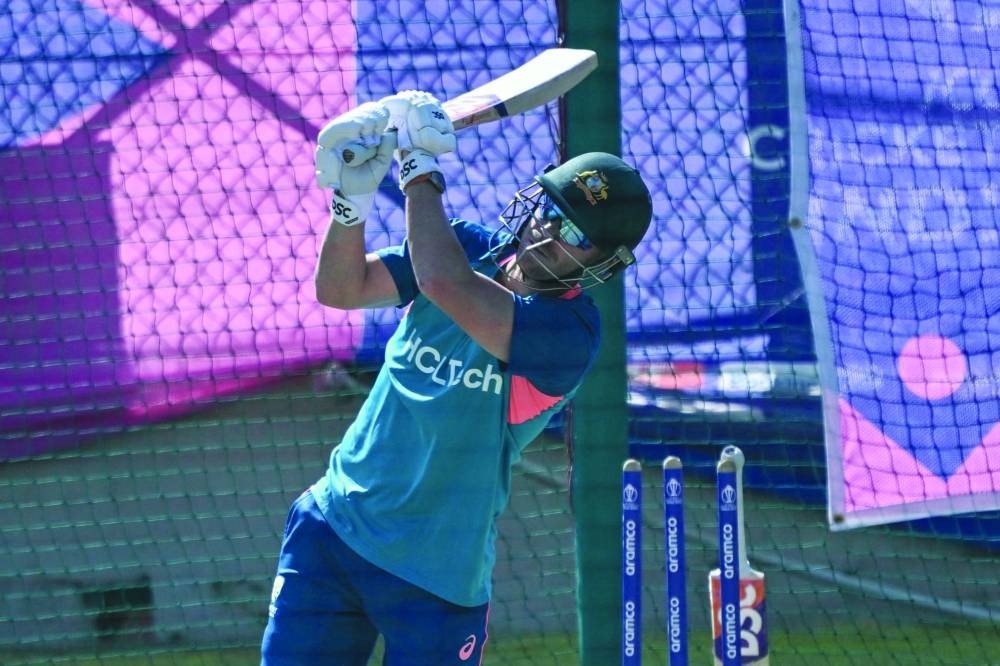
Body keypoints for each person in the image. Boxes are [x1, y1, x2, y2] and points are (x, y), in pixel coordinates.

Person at [260, 90, 653, 665]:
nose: (548, 232)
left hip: (436, 572)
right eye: (551, 210)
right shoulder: (465, 244)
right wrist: (352, 204)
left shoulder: (570, 332)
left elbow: (447, 285)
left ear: (601, 262)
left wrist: (419, 172)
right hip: (335, 525)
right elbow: (340, 289)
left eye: (574, 235)